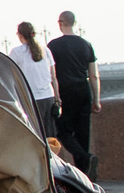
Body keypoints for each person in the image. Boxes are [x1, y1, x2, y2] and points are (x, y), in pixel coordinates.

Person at [48, 12, 101, 176]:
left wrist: (56, 96)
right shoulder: (86, 44)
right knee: (82, 134)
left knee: (62, 132)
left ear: (60, 23)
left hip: (65, 91)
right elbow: (94, 75)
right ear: (74, 23)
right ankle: (85, 175)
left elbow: (51, 75)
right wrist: (96, 99)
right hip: (83, 91)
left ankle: (85, 159)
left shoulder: (53, 46)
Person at [9, 21, 60, 145]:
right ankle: (51, 161)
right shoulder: (45, 50)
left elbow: (10, 75)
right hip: (48, 97)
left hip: (30, 99)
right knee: (49, 136)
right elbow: (53, 76)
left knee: (34, 136)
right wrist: (57, 98)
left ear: (20, 35)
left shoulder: (16, 52)